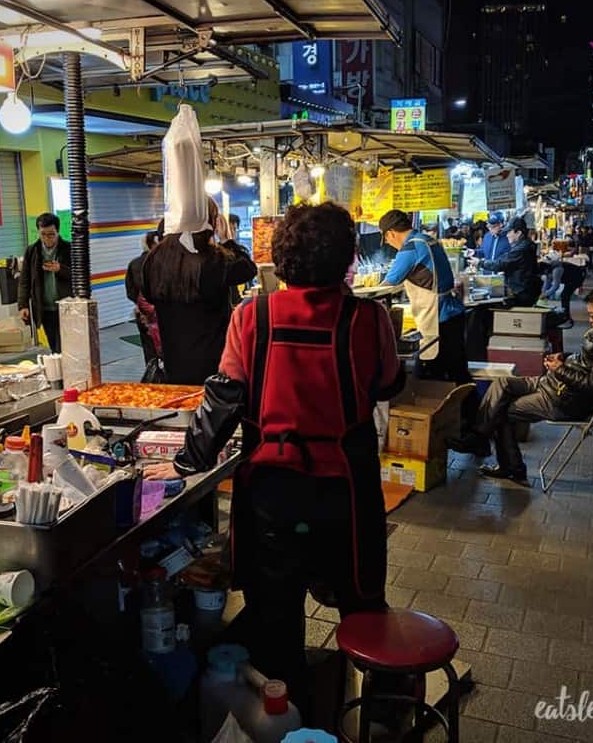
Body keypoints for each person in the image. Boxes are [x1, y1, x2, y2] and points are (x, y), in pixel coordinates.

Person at [144, 202, 406, 708]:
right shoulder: (368, 318)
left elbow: (222, 400)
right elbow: (389, 382)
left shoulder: (252, 316)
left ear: (282, 257)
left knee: (275, 613)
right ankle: (385, 706)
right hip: (345, 491)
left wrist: (185, 463)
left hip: (272, 493)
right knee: (361, 601)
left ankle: (291, 712)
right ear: (347, 258)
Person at [451, 286, 593, 484]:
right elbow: (587, 361)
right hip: (555, 385)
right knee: (503, 383)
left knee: (500, 410)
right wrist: (564, 358)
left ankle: (509, 465)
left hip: (566, 400)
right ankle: (479, 438)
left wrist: (560, 369)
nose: (591, 321)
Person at [142, 198, 257, 385]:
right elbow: (247, 269)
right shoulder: (212, 259)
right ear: (210, 223)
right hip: (214, 364)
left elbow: (147, 294)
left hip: (174, 361)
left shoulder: (155, 259)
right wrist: (228, 240)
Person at [379, 210, 470, 385]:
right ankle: (472, 410)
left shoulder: (410, 248)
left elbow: (386, 286)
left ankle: (458, 410)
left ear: (390, 233)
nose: (390, 245)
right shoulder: (427, 240)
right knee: (457, 372)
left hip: (438, 319)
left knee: (429, 378)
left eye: (387, 240)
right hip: (452, 313)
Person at [18, 213, 71, 353]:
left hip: (66, 307)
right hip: (44, 308)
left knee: (66, 345)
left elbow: (80, 276)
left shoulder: (69, 249)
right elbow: (25, 280)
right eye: (43, 234)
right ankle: (58, 372)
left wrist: (61, 269)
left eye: (51, 234)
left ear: (58, 232)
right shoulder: (32, 251)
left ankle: (66, 372)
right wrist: (23, 305)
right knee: (53, 345)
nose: (47, 238)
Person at [125, 222, 165, 366]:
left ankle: (152, 375)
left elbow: (130, 291)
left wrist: (139, 303)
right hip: (162, 314)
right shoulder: (163, 262)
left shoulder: (134, 263)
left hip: (142, 314)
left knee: (149, 350)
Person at [478, 217, 541, 307]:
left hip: (522, 292)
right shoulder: (524, 245)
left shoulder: (521, 248)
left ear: (518, 233)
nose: (507, 235)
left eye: (509, 232)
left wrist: (480, 263)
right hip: (525, 290)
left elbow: (501, 263)